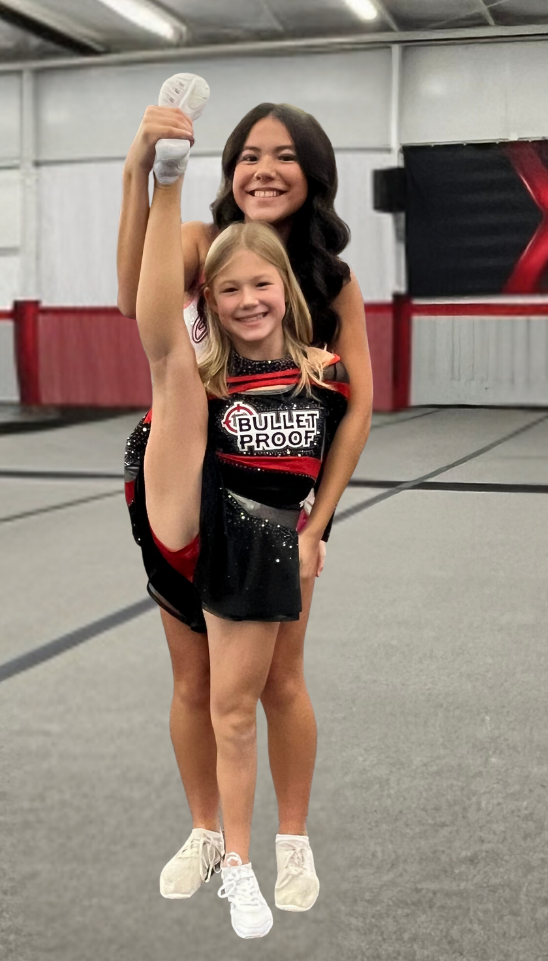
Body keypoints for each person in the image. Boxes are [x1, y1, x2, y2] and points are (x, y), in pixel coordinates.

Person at [118, 75, 373, 931]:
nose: (266, 168)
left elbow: (356, 406)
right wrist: (144, 172)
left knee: (280, 681)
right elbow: (142, 310)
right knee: (194, 682)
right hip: (191, 467)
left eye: (286, 156)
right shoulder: (202, 242)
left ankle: (290, 839)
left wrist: (320, 524)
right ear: (228, 168)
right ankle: (208, 832)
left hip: (275, 501)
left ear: (315, 174)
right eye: (251, 154)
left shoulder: (332, 279)